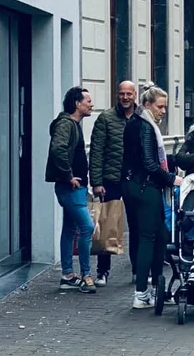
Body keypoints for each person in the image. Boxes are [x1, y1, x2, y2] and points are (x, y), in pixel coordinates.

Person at [122, 84, 183, 308]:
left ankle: (157, 290)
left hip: (132, 186)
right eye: (160, 106)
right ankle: (142, 294)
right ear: (148, 105)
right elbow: (148, 161)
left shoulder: (133, 124)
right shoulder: (146, 127)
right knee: (150, 237)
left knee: (159, 236)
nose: (163, 111)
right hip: (145, 188)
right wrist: (170, 178)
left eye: (165, 107)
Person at [46, 86, 96, 294]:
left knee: (70, 229)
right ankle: (86, 275)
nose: (91, 104)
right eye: (88, 101)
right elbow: (58, 149)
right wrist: (68, 176)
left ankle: (67, 275)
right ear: (77, 104)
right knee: (87, 227)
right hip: (70, 187)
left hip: (74, 186)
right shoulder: (66, 124)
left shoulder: (72, 124)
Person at [90, 81, 137, 287]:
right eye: (121, 93)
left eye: (129, 94)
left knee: (137, 224)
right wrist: (96, 182)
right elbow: (96, 151)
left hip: (135, 179)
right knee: (107, 224)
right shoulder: (106, 118)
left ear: (135, 95)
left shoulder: (142, 117)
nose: (125, 97)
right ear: (117, 95)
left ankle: (138, 269)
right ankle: (102, 271)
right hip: (111, 180)